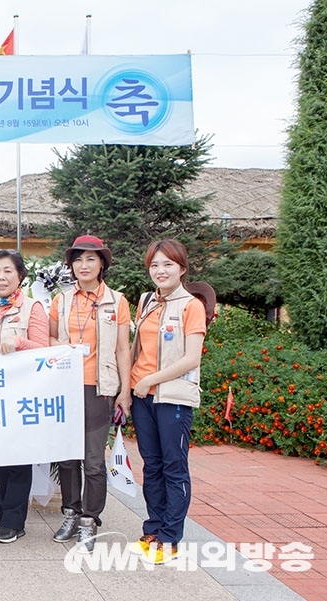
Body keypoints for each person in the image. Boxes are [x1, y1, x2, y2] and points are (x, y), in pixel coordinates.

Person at [47, 235, 132, 553]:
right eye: (78, 260)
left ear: (102, 264)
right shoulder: (62, 300)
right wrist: (63, 347)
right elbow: (49, 338)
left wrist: (125, 389)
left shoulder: (117, 301)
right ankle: (70, 512)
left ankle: (89, 520)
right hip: (65, 386)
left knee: (94, 461)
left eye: (90, 259)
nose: (84, 265)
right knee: (68, 459)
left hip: (100, 388)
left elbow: (123, 347)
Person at [129, 239, 209, 565]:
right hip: (141, 397)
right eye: (155, 265)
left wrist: (151, 379)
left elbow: (191, 358)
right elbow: (139, 349)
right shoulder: (146, 301)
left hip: (173, 398)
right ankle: (153, 529)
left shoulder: (192, 306)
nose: (160, 271)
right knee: (152, 466)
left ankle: (171, 537)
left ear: (182, 268)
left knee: (175, 468)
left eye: (168, 265)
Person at [0, 249, 49, 544]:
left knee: (18, 457)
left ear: (20, 276)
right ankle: (1, 508)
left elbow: (44, 349)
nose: (1, 277)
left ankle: (15, 521)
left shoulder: (33, 308)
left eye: (7, 271)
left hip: (21, 392)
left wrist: (18, 341)